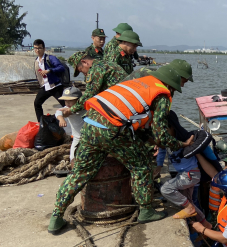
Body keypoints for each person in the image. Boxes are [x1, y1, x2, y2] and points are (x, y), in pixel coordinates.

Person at [48, 66, 192, 234]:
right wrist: (180, 145)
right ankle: (146, 210)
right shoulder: (161, 94)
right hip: (111, 130)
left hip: (90, 125)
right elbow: (161, 135)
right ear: (172, 85)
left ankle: (56, 217)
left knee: (80, 173)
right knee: (142, 166)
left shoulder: (138, 82)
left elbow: (129, 114)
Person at [57, 52, 127, 119]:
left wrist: (71, 110)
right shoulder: (107, 63)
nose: (84, 74)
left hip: (121, 104)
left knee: (90, 127)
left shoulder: (96, 69)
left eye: (81, 70)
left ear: (84, 62)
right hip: (126, 99)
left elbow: (89, 95)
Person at [32, 39, 65, 122]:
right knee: (37, 103)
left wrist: (49, 70)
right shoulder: (36, 61)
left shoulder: (50, 58)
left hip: (55, 86)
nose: (37, 50)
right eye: (35, 48)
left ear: (44, 48)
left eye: (39, 48)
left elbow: (61, 68)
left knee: (65, 106)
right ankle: (41, 123)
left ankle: (74, 121)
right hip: (45, 87)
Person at [55, 86, 85, 164]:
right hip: (77, 138)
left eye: (70, 100)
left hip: (90, 137)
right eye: (65, 101)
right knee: (73, 158)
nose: (67, 103)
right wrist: (61, 119)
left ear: (79, 100)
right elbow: (59, 112)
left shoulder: (85, 107)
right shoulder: (67, 109)